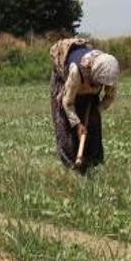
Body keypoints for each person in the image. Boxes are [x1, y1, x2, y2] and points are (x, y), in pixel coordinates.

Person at [51, 38, 119, 173]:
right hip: (67, 83)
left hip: (88, 82)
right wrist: (77, 124)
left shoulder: (107, 71)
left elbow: (109, 97)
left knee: (94, 124)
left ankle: (93, 162)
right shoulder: (76, 72)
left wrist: (96, 111)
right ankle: (71, 166)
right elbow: (67, 102)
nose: (105, 85)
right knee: (65, 124)